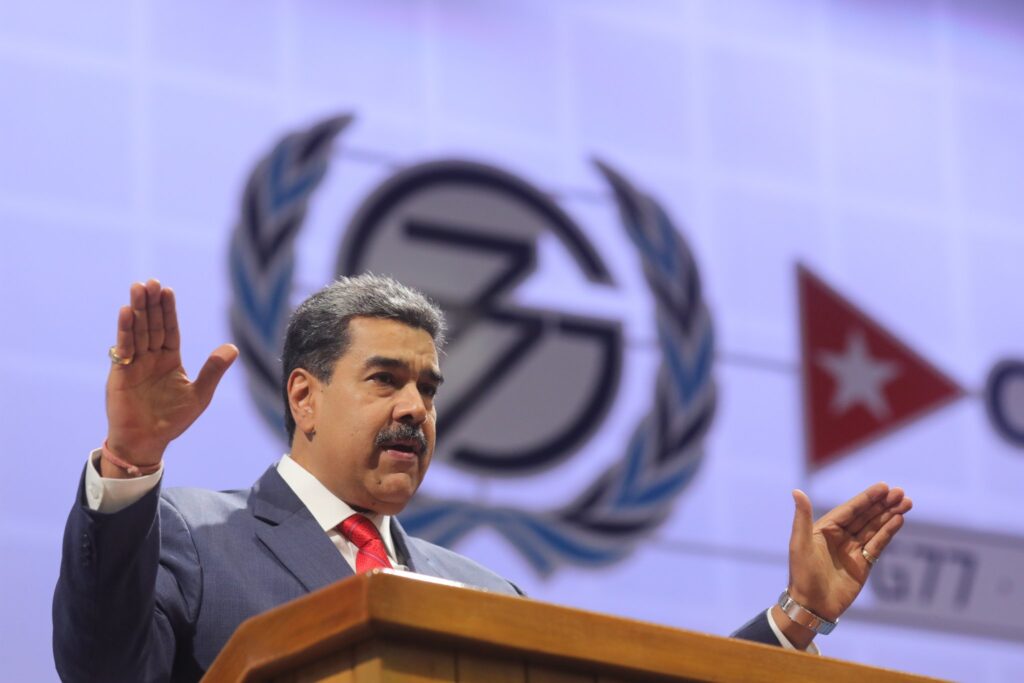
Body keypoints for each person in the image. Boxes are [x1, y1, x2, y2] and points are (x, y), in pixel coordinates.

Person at [53, 276, 912, 682]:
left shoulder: (479, 591)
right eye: (386, 379)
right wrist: (131, 464)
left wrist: (795, 617)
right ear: (304, 398)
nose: (417, 408)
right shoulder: (191, 534)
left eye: (428, 388)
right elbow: (100, 669)